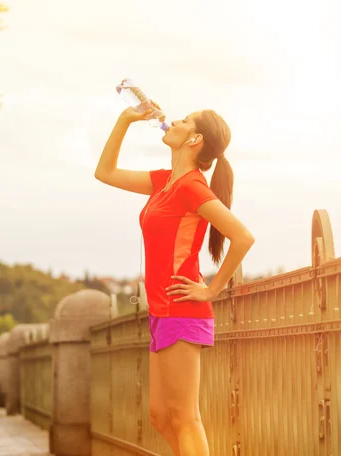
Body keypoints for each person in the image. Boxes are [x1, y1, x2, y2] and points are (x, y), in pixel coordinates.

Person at [95, 104, 255, 456]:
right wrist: (125, 119)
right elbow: (104, 172)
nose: (175, 121)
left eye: (185, 121)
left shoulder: (192, 188)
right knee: (160, 417)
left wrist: (211, 289)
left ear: (195, 139)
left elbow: (242, 236)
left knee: (185, 418)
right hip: (161, 311)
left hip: (182, 310)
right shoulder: (164, 182)